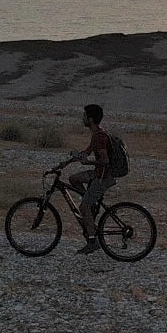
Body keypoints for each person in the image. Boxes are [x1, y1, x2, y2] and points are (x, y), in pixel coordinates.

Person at [54, 103, 113, 254]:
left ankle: (93, 242)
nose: (83, 118)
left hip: (102, 177)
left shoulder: (99, 137)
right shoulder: (96, 134)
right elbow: (85, 153)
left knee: (83, 207)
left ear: (91, 119)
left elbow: (105, 161)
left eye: (85, 116)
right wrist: (65, 163)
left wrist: (90, 162)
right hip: (97, 173)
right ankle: (90, 204)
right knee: (74, 179)